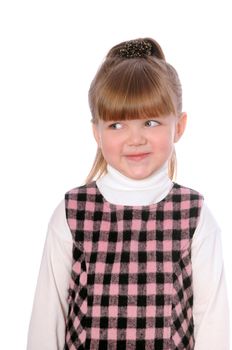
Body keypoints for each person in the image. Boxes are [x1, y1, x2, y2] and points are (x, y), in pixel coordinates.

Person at [27, 38, 229, 350]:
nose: (135, 139)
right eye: (117, 125)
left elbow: (212, 321)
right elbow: (47, 317)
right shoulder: (72, 212)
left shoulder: (194, 214)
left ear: (179, 126)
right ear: (97, 132)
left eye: (150, 122)